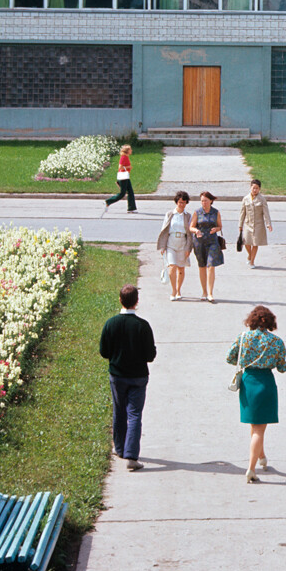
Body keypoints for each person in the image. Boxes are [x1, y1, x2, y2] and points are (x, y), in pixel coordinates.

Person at [98, 284, 157, 472]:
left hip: (117, 375)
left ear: (120, 300)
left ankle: (120, 448)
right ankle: (132, 456)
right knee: (135, 414)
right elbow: (150, 355)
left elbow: (103, 351)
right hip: (138, 377)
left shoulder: (111, 324)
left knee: (119, 411)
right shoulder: (143, 326)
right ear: (137, 302)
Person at [227, 305, 286, 483]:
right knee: (259, 429)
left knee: (255, 426)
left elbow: (230, 358)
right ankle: (251, 468)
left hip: (248, 382)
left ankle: (262, 457)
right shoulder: (276, 341)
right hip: (266, 383)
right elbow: (282, 367)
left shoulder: (244, 337)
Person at [157, 192, 192, 301]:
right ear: (176, 202)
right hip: (171, 243)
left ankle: (178, 290)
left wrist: (188, 248)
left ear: (186, 203)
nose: (181, 205)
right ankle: (173, 291)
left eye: (184, 202)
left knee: (181, 268)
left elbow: (190, 234)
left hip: (182, 243)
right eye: (180, 202)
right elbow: (164, 230)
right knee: (172, 267)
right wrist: (162, 246)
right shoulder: (169, 214)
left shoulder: (188, 216)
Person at [191, 190, 224, 303]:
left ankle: (210, 293)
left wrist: (216, 229)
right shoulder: (197, 212)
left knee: (210, 266)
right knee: (202, 266)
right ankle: (204, 291)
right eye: (202, 201)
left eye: (205, 201)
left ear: (211, 201)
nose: (203, 203)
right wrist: (196, 231)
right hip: (199, 242)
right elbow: (191, 227)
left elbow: (220, 226)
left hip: (212, 242)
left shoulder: (216, 212)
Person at [237, 179, 273, 267]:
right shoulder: (246, 199)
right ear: (250, 188)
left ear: (259, 189)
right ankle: (250, 255)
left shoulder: (262, 199)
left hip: (258, 225)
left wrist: (268, 224)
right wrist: (240, 225)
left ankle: (252, 261)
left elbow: (266, 213)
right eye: (253, 188)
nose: (255, 190)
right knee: (246, 242)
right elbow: (242, 213)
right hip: (248, 224)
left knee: (255, 243)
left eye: (257, 188)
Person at [104, 144, 136, 212]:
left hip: (126, 177)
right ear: (127, 151)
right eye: (130, 149)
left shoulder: (126, 157)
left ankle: (131, 208)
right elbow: (120, 167)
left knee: (130, 192)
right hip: (123, 178)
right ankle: (108, 201)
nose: (131, 150)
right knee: (122, 194)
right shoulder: (123, 157)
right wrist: (128, 167)